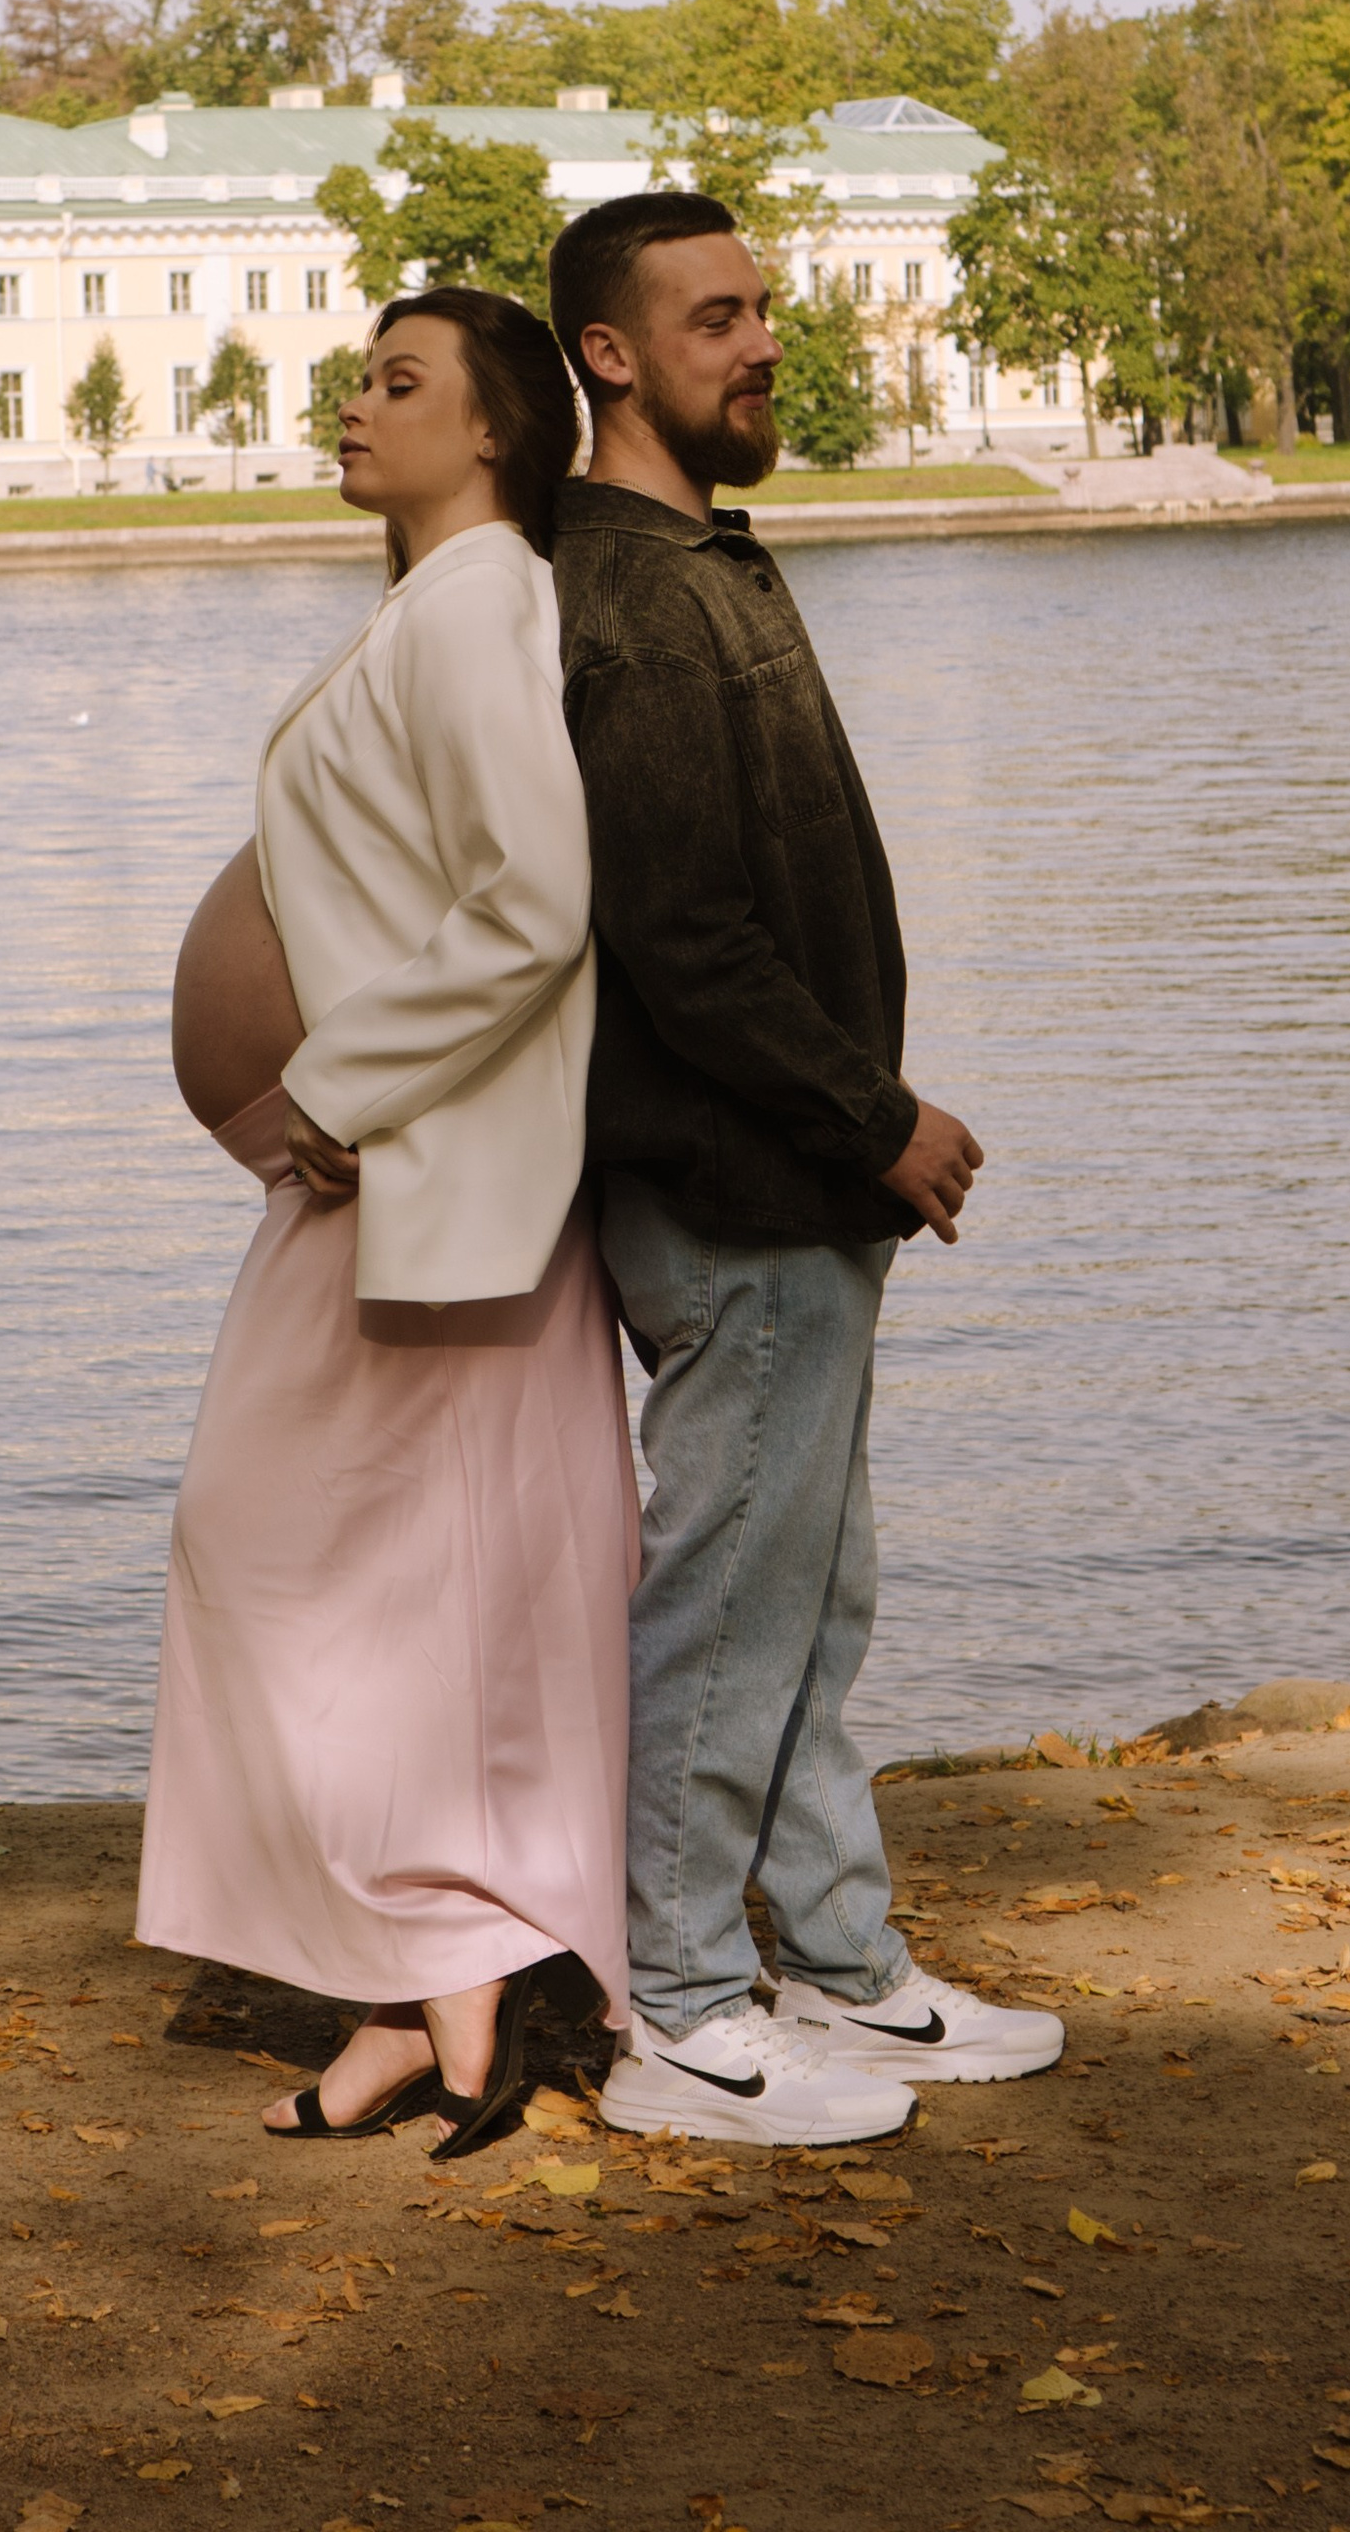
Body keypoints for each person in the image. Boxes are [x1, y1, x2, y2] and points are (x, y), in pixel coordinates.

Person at [546, 189, 1063, 2146]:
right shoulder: (616, 591)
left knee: (812, 1593)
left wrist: (860, 1143)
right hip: (729, 1188)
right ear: (608, 353)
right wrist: (880, 1121)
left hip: (803, 1196)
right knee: (726, 1601)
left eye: (761, 310)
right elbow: (677, 942)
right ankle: (672, 2009)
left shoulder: (705, 558)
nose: (759, 342)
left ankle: (840, 1968)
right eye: (712, 319)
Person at [137, 287, 639, 2160]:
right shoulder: (432, 607)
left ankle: (452, 1982)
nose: (353, 404)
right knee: (397, 1597)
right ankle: (424, 2010)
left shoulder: (488, 596)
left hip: (417, 1176)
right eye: (359, 374)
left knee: (276, 1553)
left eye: (398, 382)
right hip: (392, 1183)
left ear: (498, 429)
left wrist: (340, 1087)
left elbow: (538, 898)